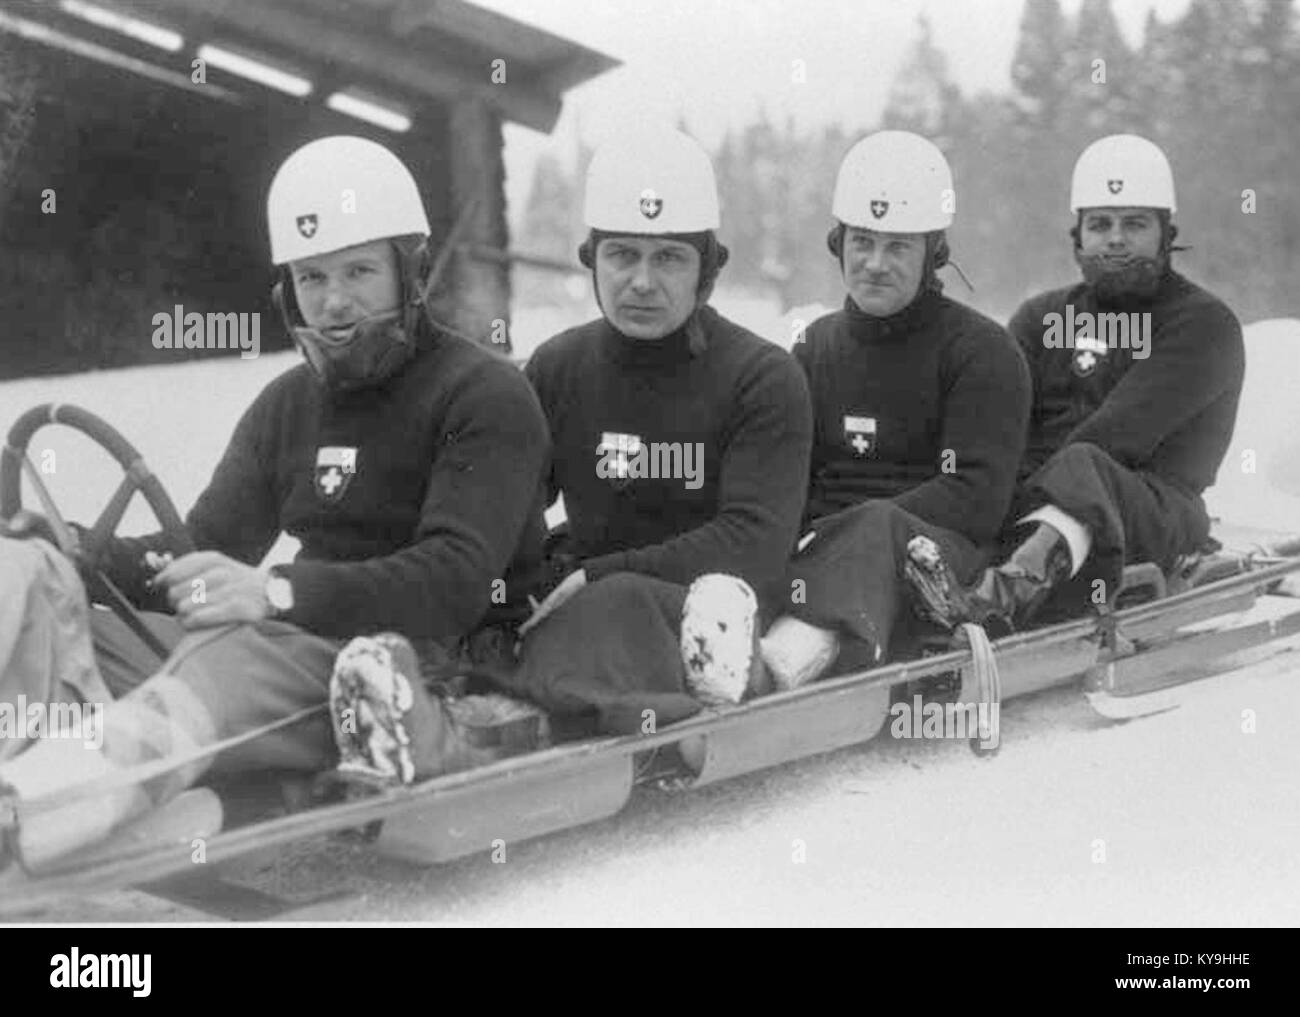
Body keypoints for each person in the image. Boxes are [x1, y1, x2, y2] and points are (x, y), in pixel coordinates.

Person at [0, 135, 550, 870]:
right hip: (286, 641)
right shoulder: (287, 405)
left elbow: (452, 581)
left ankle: (35, 810)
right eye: (313, 276)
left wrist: (278, 591)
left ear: (410, 270)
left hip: (415, 670)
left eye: (359, 271)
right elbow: (199, 548)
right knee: (53, 604)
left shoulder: (484, 394)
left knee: (233, 652)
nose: (335, 301)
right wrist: (70, 551)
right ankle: (52, 755)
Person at [503, 126, 813, 737]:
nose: (642, 282)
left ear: (706, 271)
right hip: (590, 596)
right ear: (592, 260)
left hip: (715, 606)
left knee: (615, 603)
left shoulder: (762, 377)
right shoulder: (557, 368)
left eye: (669, 258)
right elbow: (511, 509)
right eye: (622, 255)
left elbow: (754, 542)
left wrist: (597, 575)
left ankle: (543, 717)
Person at [907, 134, 1245, 633]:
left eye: (1134, 224)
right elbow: (987, 416)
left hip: (1156, 509)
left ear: (1165, 234)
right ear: (1078, 236)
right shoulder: (1042, 316)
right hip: (1034, 497)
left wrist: (1012, 489)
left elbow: (1118, 435)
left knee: (1085, 463)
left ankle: (1005, 595)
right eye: (1100, 224)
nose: (1114, 239)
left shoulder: (1202, 324)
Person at [755, 131, 1032, 689]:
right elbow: (784, 476)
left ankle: (779, 670)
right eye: (862, 241)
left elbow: (976, 499)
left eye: (898, 247)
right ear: (840, 244)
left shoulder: (981, 352)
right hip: (825, 554)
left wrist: (847, 534)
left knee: (877, 525)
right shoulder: (815, 348)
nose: (875, 264)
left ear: (934, 254)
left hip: (938, 558)